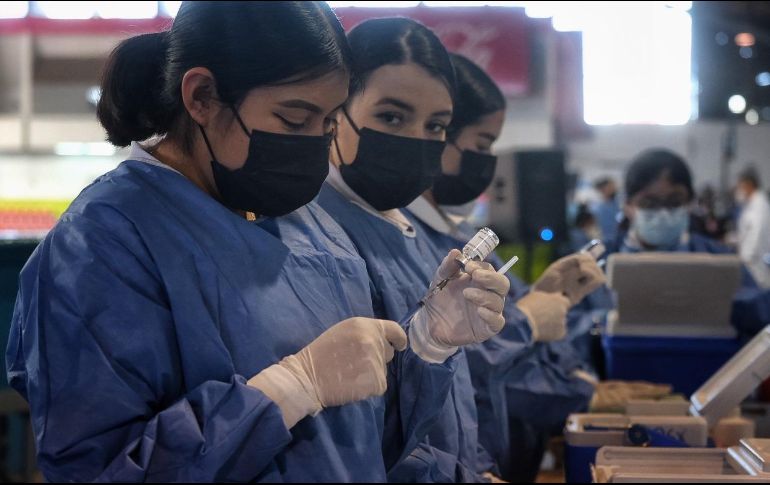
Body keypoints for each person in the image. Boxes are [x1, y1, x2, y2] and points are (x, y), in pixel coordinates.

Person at [6, 3, 477, 481]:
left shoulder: (315, 231)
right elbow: (103, 469)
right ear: (202, 96)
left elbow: (364, 445)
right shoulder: (104, 244)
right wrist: (287, 391)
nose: (315, 142)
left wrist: (427, 347)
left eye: (330, 122)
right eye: (295, 119)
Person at [316, 19, 511, 483]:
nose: (417, 140)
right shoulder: (313, 241)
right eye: (391, 117)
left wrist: (475, 468)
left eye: (436, 125)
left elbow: (454, 395)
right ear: (336, 112)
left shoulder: (410, 233)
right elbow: (353, 433)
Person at [405, 53, 605, 482]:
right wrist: (527, 323)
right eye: (480, 146)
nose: (487, 162)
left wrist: (544, 302)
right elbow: (456, 367)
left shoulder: (458, 237)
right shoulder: (400, 244)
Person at [596, 149, 770, 339]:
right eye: (650, 203)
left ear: (689, 202)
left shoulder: (721, 259)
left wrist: (722, 305)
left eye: (674, 201)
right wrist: (607, 321)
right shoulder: (596, 262)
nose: (663, 212)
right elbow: (570, 326)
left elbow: (761, 316)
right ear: (627, 205)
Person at [734, 167, 770, 288]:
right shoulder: (752, 204)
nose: (738, 190)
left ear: (749, 185)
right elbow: (747, 231)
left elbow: (756, 235)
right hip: (753, 265)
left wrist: (743, 260)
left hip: (755, 267)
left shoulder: (759, 206)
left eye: (740, 186)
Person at [592, 177, 621, 241]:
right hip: (607, 241)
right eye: (610, 186)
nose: (614, 188)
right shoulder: (597, 209)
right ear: (603, 189)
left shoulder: (619, 204)